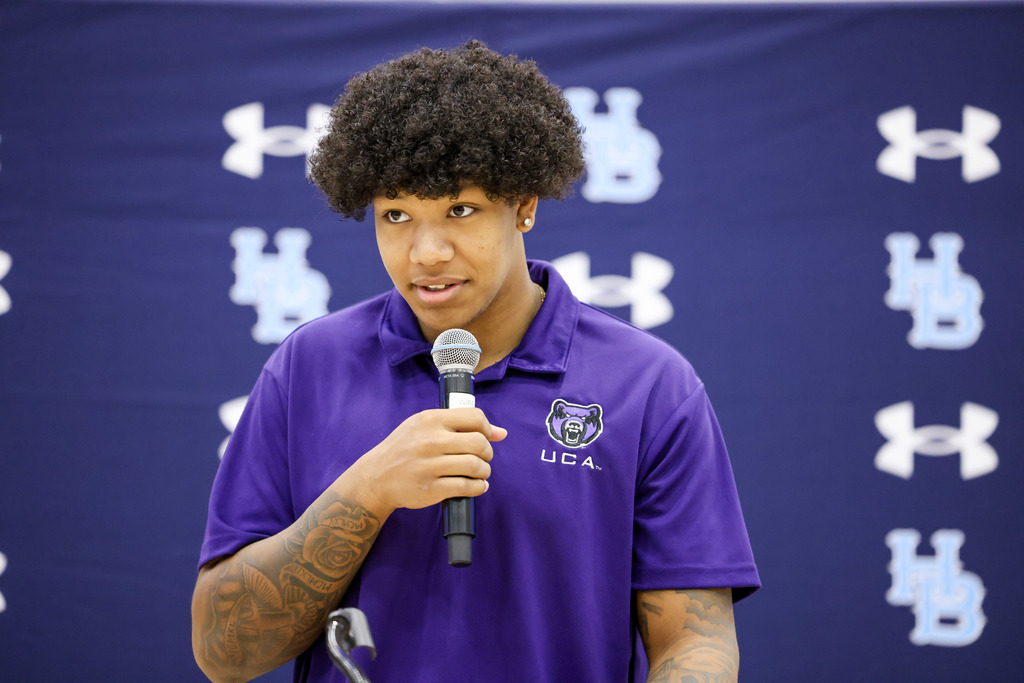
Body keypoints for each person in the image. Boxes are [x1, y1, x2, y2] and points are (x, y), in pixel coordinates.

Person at [192, 41, 759, 683]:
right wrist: (366, 491)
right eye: (396, 215)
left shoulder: (648, 384)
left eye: (460, 210)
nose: (426, 251)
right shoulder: (307, 368)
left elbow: (694, 645)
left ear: (524, 206)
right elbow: (225, 653)